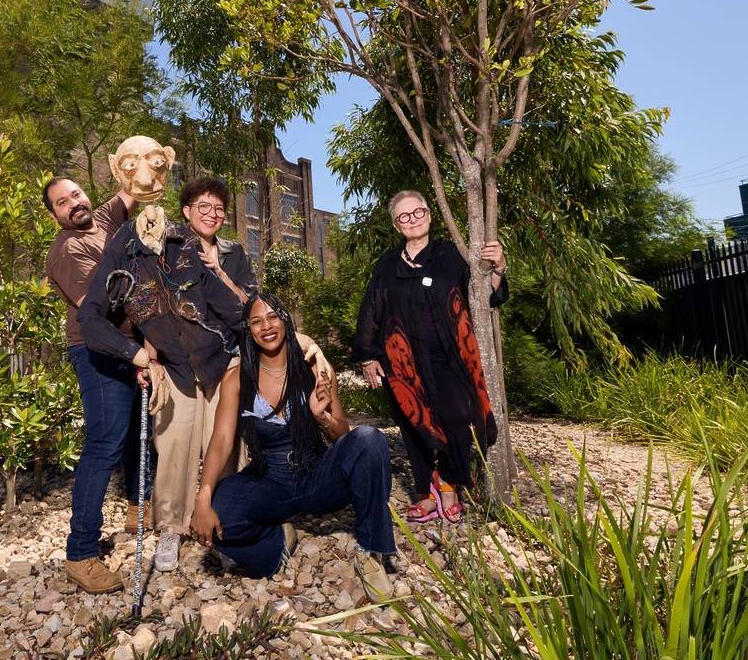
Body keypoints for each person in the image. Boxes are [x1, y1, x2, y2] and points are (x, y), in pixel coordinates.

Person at [79, 139, 245, 575]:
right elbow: (92, 317)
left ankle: (225, 524)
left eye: (154, 164)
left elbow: (238, 312)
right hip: (172, 371)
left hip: (220, 363)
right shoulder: (123, 244)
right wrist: (135, 353)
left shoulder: (187, 240)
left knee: (224, 446)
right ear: (118, 172)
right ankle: (171, 527)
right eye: (132, 166)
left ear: (167, 166)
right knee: (171, 448)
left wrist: (295, 342)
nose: (146, 175)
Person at [189, 292, 396, 602]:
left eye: (273, 317)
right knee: (221, 514)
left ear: (286, 320)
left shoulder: (315, 370)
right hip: (269, 479)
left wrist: (321, 416)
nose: (266, 326)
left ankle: (372, 550)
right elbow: (221, 440)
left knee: (369, 438)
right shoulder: (236, 379)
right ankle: (277, 542)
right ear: (249, 329)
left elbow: (343, 434)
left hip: (316, 475)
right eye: (257, 321)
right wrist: (203, 498)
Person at [352, 190, 508, 524]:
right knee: (413, 424)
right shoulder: (387, 264)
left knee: (458, 417)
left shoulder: (451, 254)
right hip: (402, 359)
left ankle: (448, 483)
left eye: (418, 212)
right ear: (396, 226)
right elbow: (372, 308)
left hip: (450, 356)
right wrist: (367, 355)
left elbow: (483, 299)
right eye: (403, 216)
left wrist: (498, 267)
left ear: (429, 215)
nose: (412, 220)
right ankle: (425, 493)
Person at [43, 174, 152, 595]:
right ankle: (81, 552)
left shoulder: (104, 216)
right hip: (96, 351)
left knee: (135, 433)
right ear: (55, 216)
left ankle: (136, 509)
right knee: (104, 443)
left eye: (75, 194)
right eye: (62, 203)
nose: (73, 203)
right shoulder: (68, 251)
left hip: (128, 345)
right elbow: (106, 303)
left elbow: (135, 189)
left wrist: (152, 163)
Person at [179, 177, 257, 303]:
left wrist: (221, 275)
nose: (213, 214)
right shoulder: (172, 248)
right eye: (203, 206)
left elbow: (250, 304)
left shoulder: (237, 253)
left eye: (219, 209)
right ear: (187, 212)